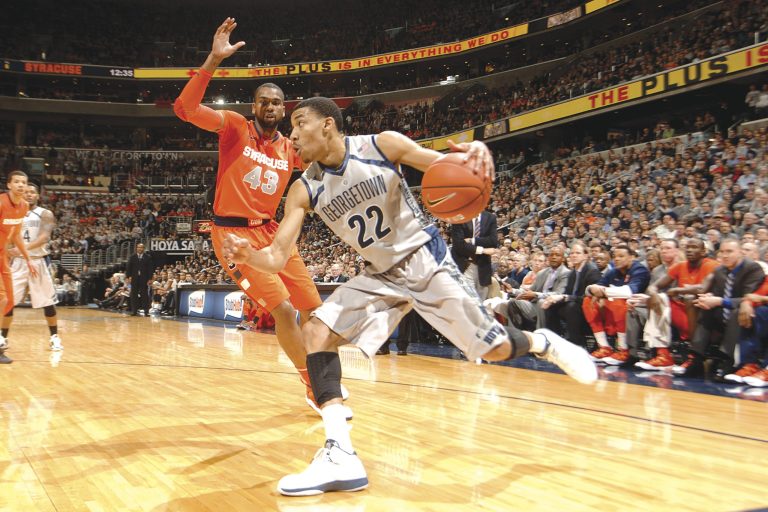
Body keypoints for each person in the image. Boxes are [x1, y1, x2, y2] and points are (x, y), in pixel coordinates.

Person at [223, 96, 596, 495]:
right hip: (380, 274)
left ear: (328, 124)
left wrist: (476, 153)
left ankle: (543, 342)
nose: (292, 135)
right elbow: (277, 256)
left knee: (494, 349)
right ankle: (340, 454)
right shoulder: (303, 189)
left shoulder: (383, 145)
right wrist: (251, 256)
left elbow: (447, 167)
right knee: (316, 331)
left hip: (425, 259)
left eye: (300, 123)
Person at [173, 18, 345, 415]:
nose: (270, 107)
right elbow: (185, 108)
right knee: (283, 309)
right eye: (263, 101)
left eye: (276, 103)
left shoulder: (292, 147)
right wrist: (214, 60)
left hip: (273, 233)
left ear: (284, 111)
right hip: (234, 236)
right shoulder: (234, 127)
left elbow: (330, 165)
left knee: (315, 309)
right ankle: (313, 386)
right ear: (254, 107)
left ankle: (324, 380)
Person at [2, 183, 62, 353]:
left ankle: (54, 338)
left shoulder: (45, 213)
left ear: (38, 195)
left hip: (37, 260)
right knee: (8, 301)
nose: (29, 194)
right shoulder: (12, 213)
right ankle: (3, 337)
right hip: (18, 262)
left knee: (48, 302)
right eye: (26, 192)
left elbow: (44, 237)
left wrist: (22, 248)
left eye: (32, 192)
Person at [0, 171, 38, 365]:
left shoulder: (23, 206)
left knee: (9, 301)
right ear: (9, 185)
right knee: (3, 297)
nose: (21, 185)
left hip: (3, 257)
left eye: (24, 182)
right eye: (16, 182)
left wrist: (28, 258)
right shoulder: (1, 203)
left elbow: (15, 236)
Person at [451, 209, 498, 300]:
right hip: (464, 264)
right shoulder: (459, 218)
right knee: (466, 300)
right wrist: (483, 250)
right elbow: (459, 244)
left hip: (482, 266)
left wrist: (472, 240)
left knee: (481, 301)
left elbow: (493, 241)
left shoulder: (490, 217)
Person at [125, 243, 154, 316]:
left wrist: (150, 278)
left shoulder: (148, 257)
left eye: (141, 247)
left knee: (144, 295)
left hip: (144, 278)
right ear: (136, 248)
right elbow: (128, 267)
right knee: (133, 294)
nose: (140, 249)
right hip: (134, 278)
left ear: (143, 248)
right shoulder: (132, 257)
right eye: (138, 247)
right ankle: (134, 311)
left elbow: (150, 269)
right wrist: (128, 277)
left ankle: (146, 311)